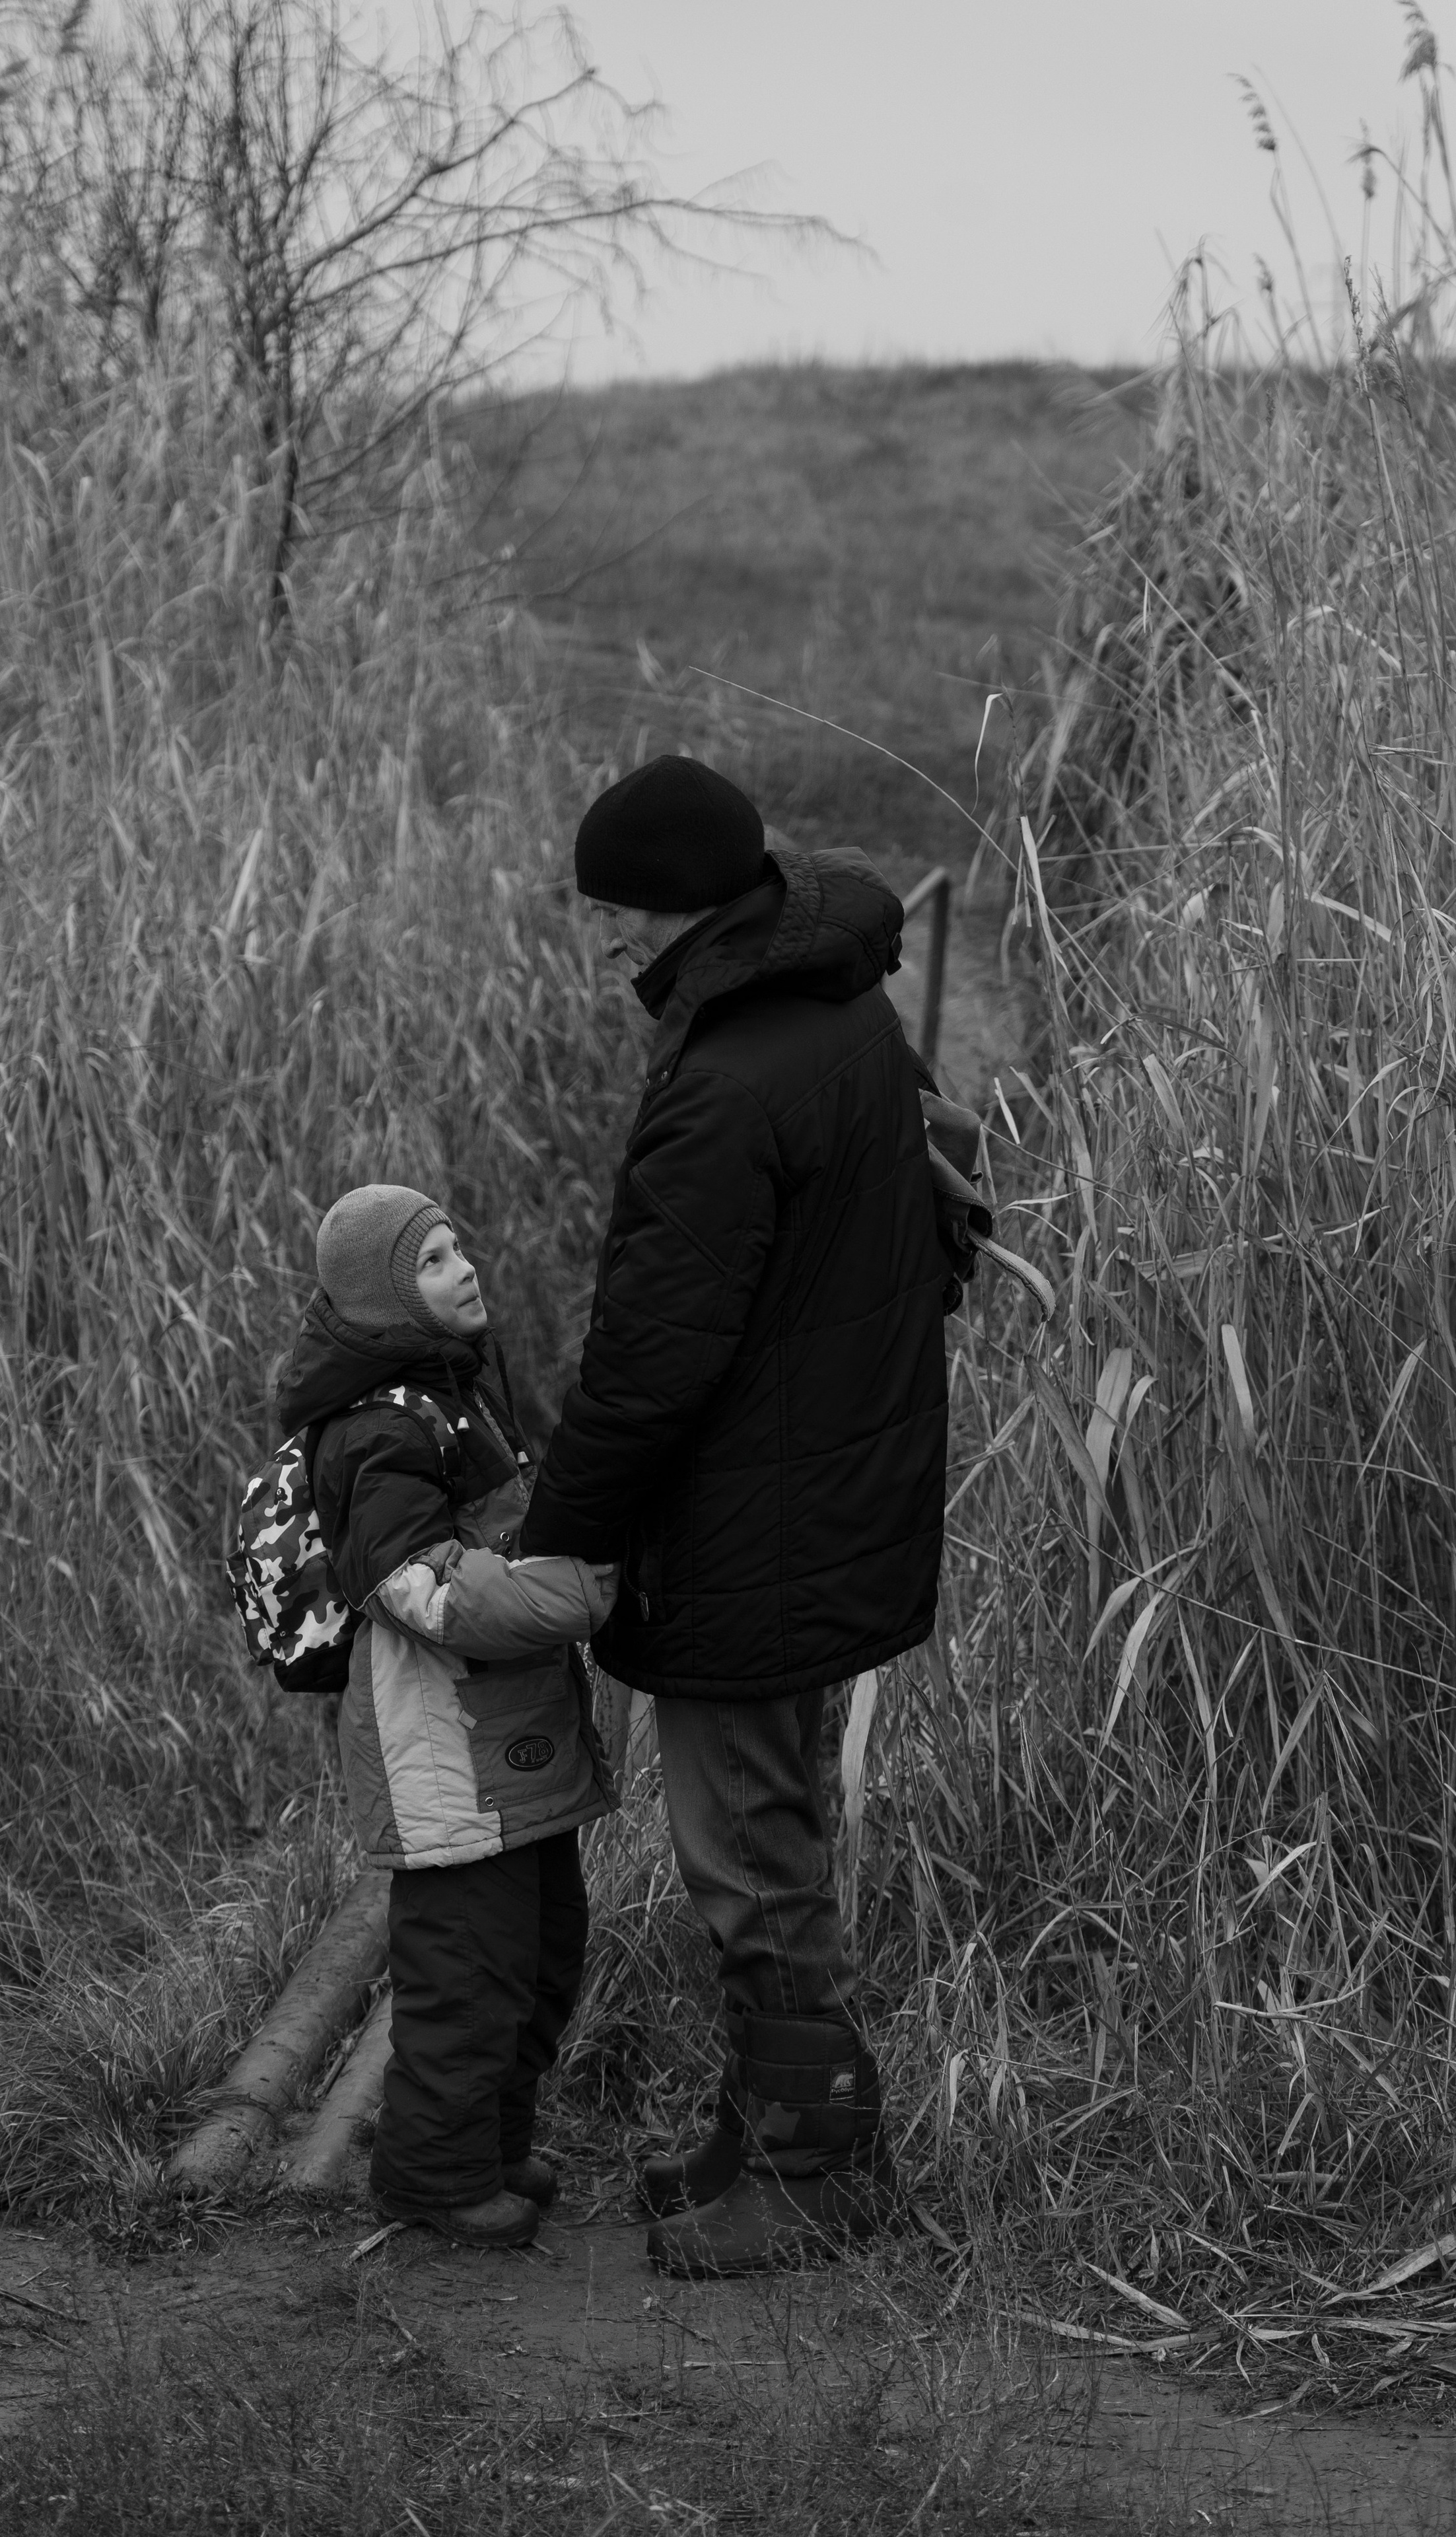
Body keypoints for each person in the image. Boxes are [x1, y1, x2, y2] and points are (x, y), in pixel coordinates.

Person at [517, 755, 950, 2278]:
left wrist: (554, 1535)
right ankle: (761, 2126)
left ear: (675, 910)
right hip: (829, 1485)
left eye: (608, 914)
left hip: (759, 1518)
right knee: (765, 1820)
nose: (596, 944)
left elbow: (648, 1361)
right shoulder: (832, 1007)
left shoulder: (723, 1080)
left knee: (744, 1840)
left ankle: (813, 2164)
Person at [275, 1184, 618, 2248]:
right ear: (386, 1300)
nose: (464, 1266)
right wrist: (573, 1594)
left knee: (541, 1948)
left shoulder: (450, 1390)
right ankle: (430, 2175)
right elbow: (413, 1582)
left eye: (457, 1244)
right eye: (431, 1260)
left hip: (501, 1738)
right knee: (465, 1972)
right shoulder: (378, 1427)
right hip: (440, 1746)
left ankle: (490, 2144)